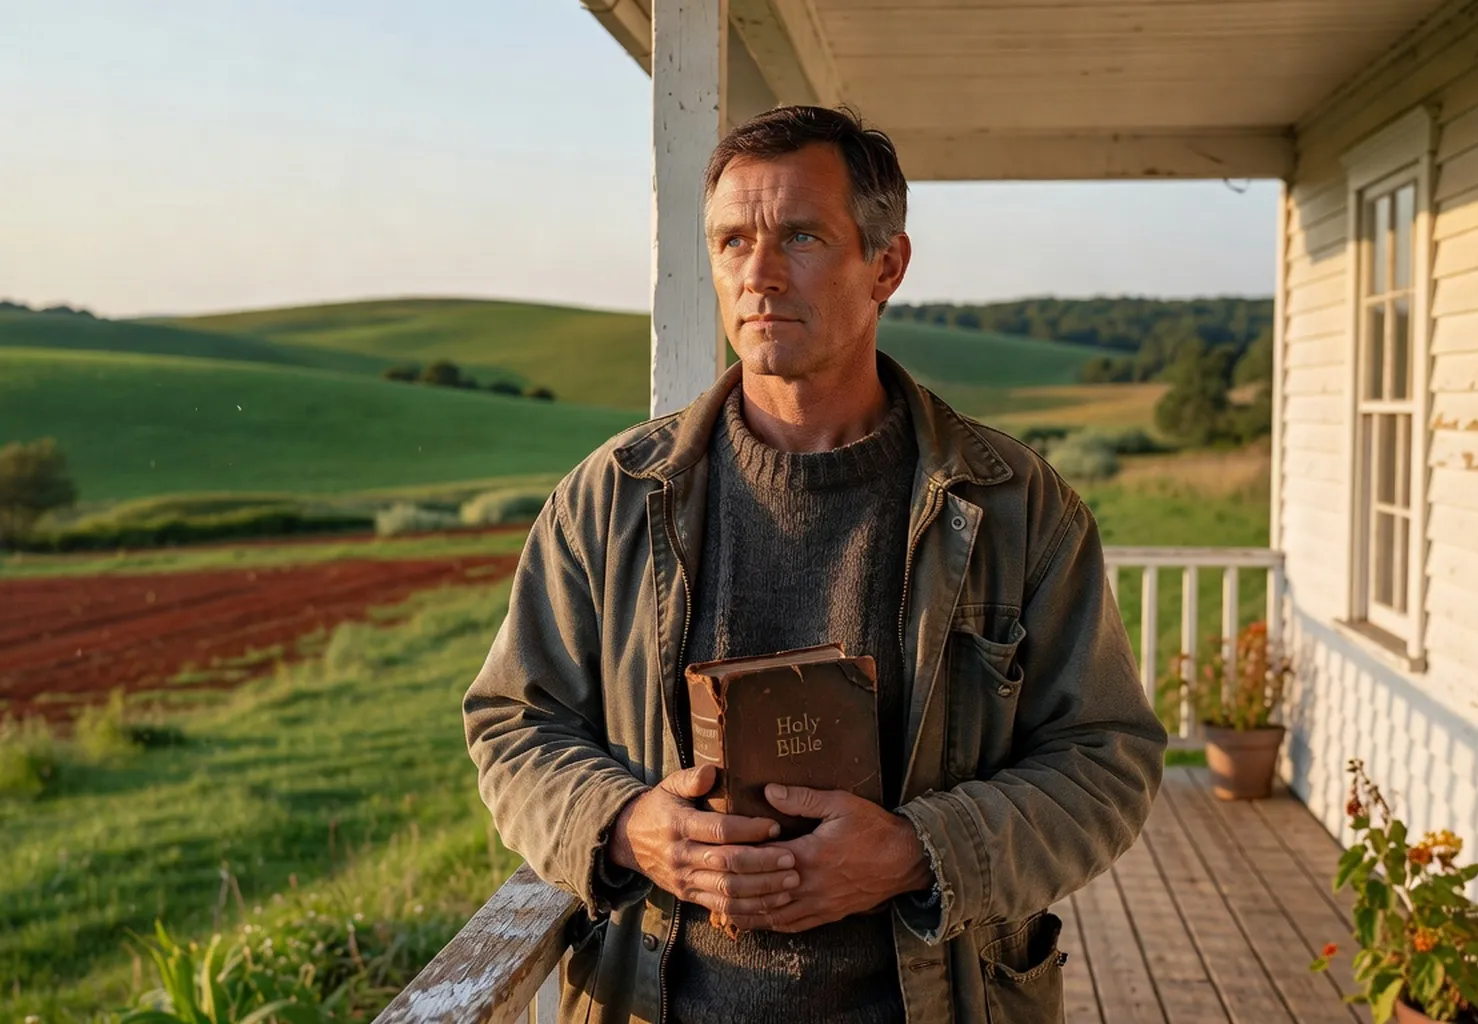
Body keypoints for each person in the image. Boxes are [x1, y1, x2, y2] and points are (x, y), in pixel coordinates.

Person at [464, 105, 1167, 1024]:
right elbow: (514, 725)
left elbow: (1106, 761)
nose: (757, 275)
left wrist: (921, 851)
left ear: (887, 266)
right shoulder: (612, 500)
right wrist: (628, 826)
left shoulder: (1013, 508)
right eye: (730, 241)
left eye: (799, 234)